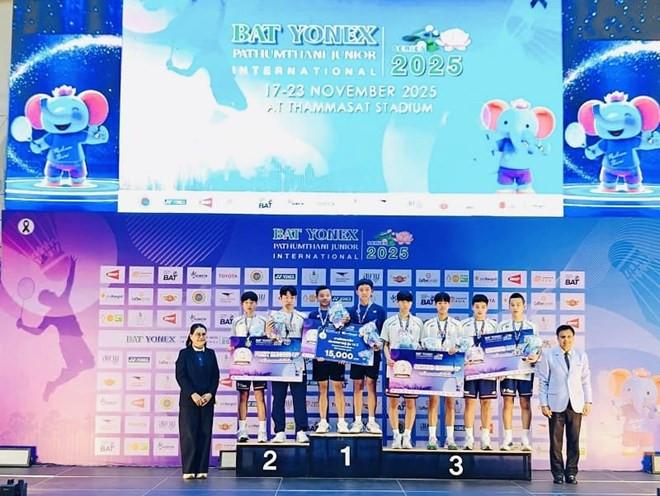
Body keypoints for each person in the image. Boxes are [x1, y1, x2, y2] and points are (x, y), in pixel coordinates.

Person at [537, 324, 592, 485]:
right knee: (555, 442)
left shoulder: (581, 355)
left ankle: (571, 473)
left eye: (569, 337)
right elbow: (543, 381)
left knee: (574, 441)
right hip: (555, 404)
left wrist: (588, 401)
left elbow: (585, 380)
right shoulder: (549, 355)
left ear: (573, 338)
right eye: (562, 337)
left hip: (576, 404)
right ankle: (558, 474)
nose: (566, 340)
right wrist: (543, 404)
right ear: (557, 338)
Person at [175, 323, 219, 480]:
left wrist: (210, 394)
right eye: (198, 334)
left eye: (203, 334)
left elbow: (215, 376)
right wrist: (192, 394)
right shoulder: (184, 354)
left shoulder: (211, 354)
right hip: (189, 401)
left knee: (205, 434)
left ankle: (202, 469)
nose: (201, 337)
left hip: (207, 401)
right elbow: (181, 376)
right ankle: (188, 469)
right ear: (191, 336)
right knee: (189, 435)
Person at [381, 290, 424, 449]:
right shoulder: (389, 322)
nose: (405, 304)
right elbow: (385, 344)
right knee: (393, 402)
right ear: (397, 302)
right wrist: (388, 358)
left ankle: (407, 436)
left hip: (411, 368)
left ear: (411, 303)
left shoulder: (418, 323)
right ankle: (396, 436)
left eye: (407, 301)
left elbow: (422, 344)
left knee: (410, 402)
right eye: (402, 301)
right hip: (393, 367)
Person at [421, 292, 463, 450]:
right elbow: (421, 345)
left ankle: (450, 439)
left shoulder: (457, 325)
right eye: (439, 303)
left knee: (450, 403)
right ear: (435, 305)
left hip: (451, 367)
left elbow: (463, 344)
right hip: (434, 367)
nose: (442, 305)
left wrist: (457, 348)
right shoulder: (428, 325)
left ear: (449, 304)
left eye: (445, 302)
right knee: (433, 402)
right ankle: (432, 438)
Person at [498, 292, 540, 451]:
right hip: (508, 371)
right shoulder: (502, 326)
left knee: (525, 403)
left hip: (525, 370)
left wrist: (535, 356)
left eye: (518, 304)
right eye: (512, 305)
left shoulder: (531, 326)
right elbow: (497, 349)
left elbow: (537, 348)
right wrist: (498, 369)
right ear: (509, 307)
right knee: (507, 402)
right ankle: (507, 439)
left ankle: (525, 440)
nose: (515, 307)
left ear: (524, 306)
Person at [268, 286, 310, 443]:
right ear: (280, 299)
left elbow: (308, 340)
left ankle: (301, 430)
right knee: (278, 398)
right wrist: (268, 333)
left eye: (291, 297)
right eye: (285, 297)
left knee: (299, 398)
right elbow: (267, 339)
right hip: (278, 363)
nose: (288, 300)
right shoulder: (272, 316)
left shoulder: (303, 317)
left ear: (295, 299)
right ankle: (279, 431)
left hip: (298, 363)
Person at [308, 285, 349, 434]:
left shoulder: (340, 313)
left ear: (331, 297)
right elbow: (309, 337)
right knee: (322, 388)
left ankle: (341, 422)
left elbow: (345, 334)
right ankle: (323, 422)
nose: (325, 298)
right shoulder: (313, 315)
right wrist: (314, 353)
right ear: (317, 298)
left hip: (336, 356)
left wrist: (343, 353)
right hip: (319, 357)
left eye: (327, 295)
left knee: (338, 387)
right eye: (322, 296)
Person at [348, 278, 387, 434]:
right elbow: (346, 333)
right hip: (356, 354)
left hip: (373, 354)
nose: (364, 292)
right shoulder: (351, 311)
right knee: (357, 385)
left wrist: (380, 345)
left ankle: (371, 421)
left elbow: (383, 334)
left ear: (372, 291)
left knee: (371, 385)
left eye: (367, 289)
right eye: (361, 289)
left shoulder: (380, 310)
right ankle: (357, 421)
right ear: (357, 292)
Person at [461, 294, 498, 450]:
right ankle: (469, 439)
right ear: (472, 307)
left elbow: (498, 349)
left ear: (487, 308)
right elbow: (459, 346)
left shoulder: (494, 326)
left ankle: (485, 439)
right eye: (477, 307)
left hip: (487, 370)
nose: (480, 310)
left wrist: (499, 369)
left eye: (483, 307)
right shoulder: (463, 325)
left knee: (486, 403)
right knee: (469, 403)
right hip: (469, 370)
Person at [232, 291, 268, 443]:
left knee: (260, 395)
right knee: (243, 396)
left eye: (252, 302)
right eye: (246, 302)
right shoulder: (236, 321)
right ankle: (242, 430)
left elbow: (267, 340)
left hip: (259, 363)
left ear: (256, 304)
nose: (249, 305)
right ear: (242, 304)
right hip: (242, 363)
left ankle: (262, 432)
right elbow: (233, 341)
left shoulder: (263, 320)